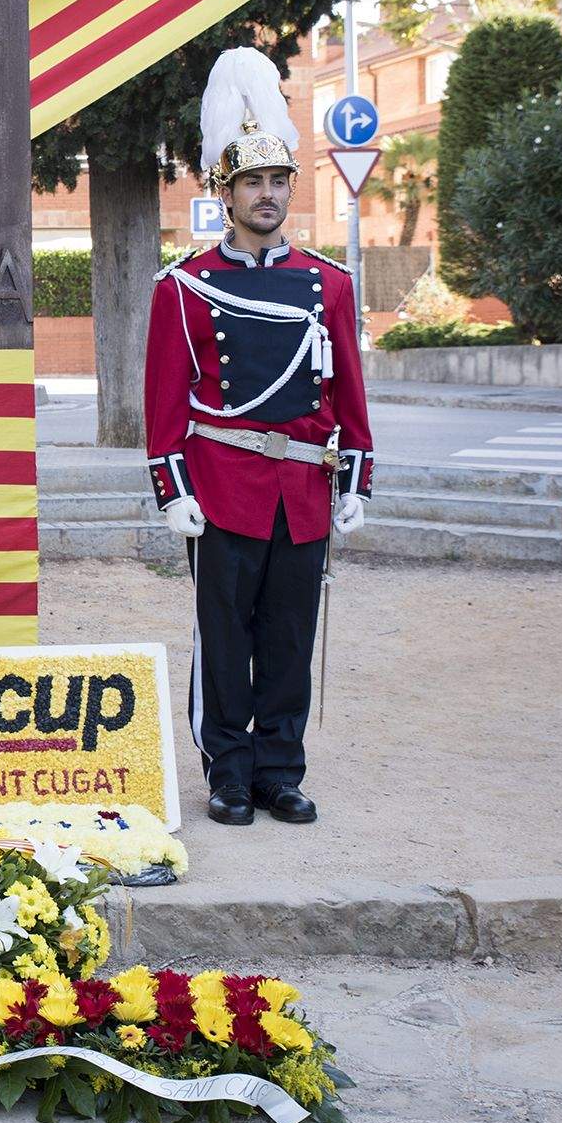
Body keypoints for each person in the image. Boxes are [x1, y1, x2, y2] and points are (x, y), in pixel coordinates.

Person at [142, 46, 374, 827]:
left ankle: (280, 769)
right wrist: (171, 492)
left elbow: (349, 393)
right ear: (225, 189)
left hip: (303, 488)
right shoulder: (184, 286)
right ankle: (228, 770)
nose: (268, 194)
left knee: (288, 638)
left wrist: (356, 483)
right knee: (223, 635)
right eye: (253, 182)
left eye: (279, 181)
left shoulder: (329, 283)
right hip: (223, 488)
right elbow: (165, 404)